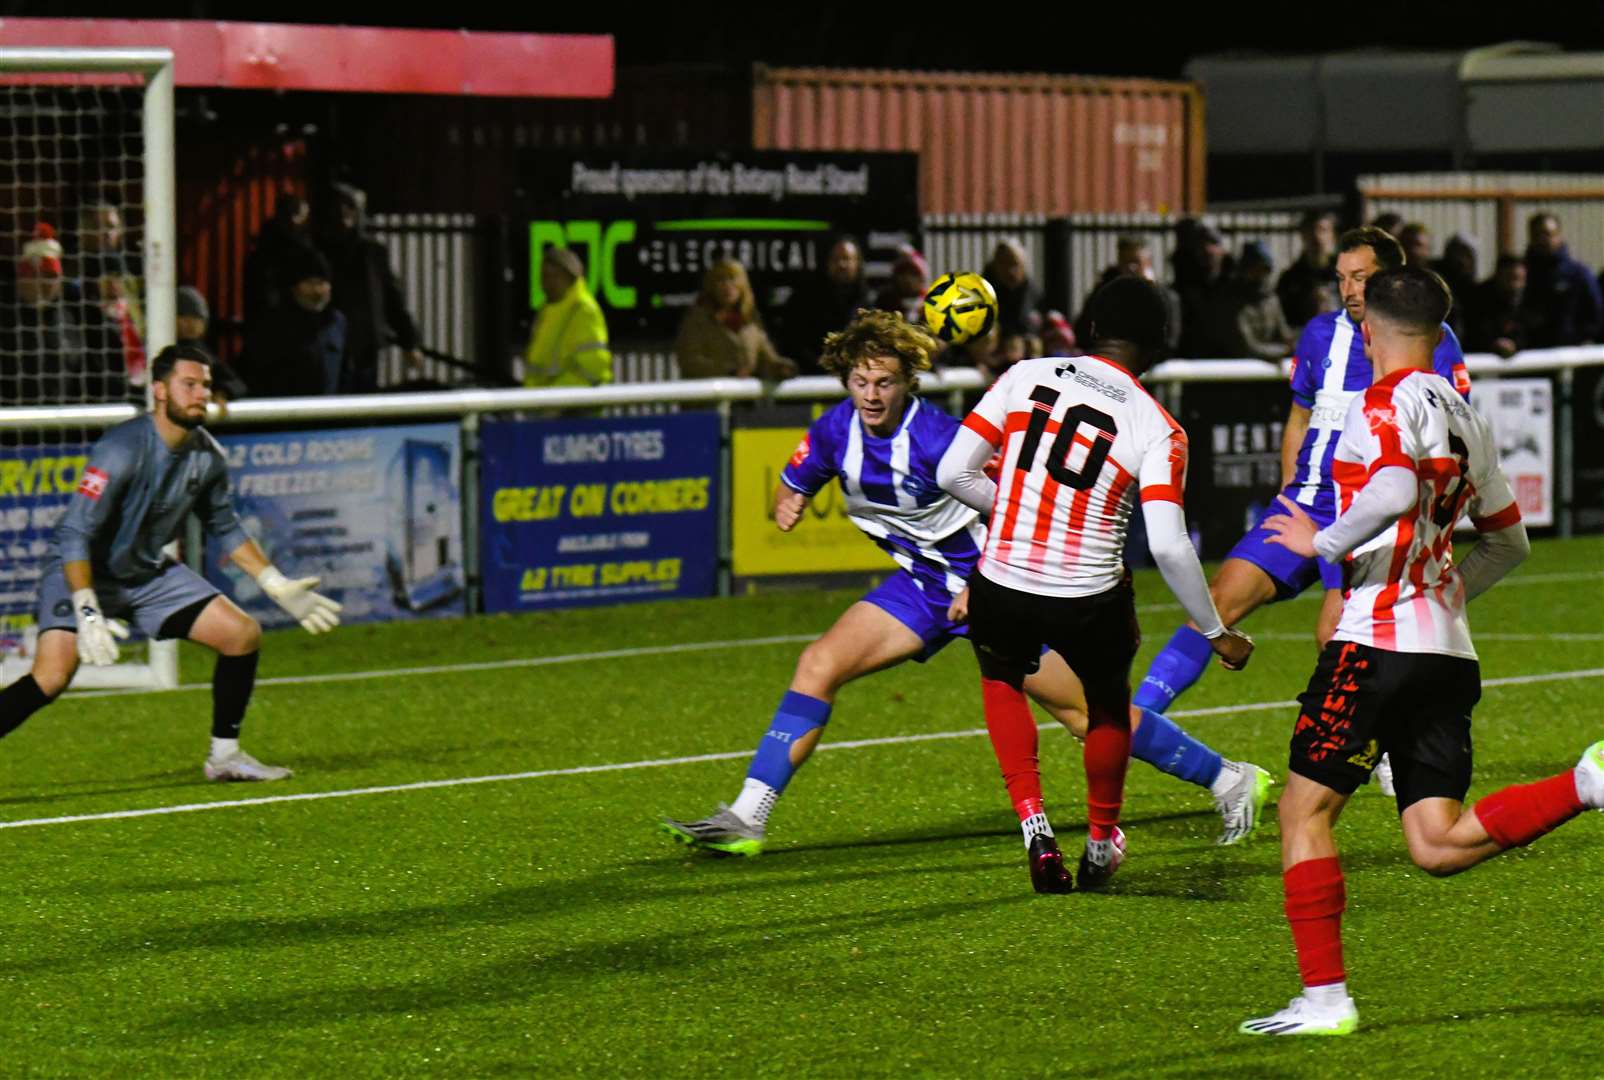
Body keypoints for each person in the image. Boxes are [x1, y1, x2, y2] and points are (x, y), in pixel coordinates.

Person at [661, 309, 1269, 888]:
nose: (871, 394)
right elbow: (797, 480)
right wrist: (788, 500)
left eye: (885, 382)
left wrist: (982, 579)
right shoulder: (831, 429)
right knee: (819, 663)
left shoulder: (935, 438)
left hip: (994, 585)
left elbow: (1020, 503)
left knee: (1085, 715)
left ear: (908, 383)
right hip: (922, 589)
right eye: (860, 380)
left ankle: (1228, 778)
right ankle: (748, 816)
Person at [1238, 265, 1604, 1036]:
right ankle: (1587, 783)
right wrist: (1448, 593)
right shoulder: (1465, 414)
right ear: (1440, 336)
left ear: (1365, 326)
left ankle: (1325, 999)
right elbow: (1510, 543)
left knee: (1303, 812)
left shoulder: (1378, 404)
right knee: (1435, 844)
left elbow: (1396, 490)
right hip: (1446, 649)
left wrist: (1323, 545)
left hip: (1374, 638)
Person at [937, 277, 1256, 889]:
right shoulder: (1157, 425)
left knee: (1003, 680)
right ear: (1159, 343)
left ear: (1088, 328)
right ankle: (1102, 842)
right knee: (1108, 709)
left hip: (1002, 580)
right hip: (1089, 594)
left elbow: (954, 471)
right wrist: (1216, 631)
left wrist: (1009, 508)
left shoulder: (1024, 375)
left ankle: (1035, 826)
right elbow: (1166, 543)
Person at [1130, 227, 1470, 794]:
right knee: (1217, 602)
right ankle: (1131, 722)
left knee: (1338, 637)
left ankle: (1380, 746)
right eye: (1341, 278)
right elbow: (1300, 417)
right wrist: (1291, 488)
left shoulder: (1430, 340)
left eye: (1360, 277)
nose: (1348, 289)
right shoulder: (1318, 335)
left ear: (1391, 279)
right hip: (1307, 503)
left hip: (1373, 514)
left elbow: (1449, 424)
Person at [0, 344, 343, 781]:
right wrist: (87, 609)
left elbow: (226, 526)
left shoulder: (208, 457)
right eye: (190, 384)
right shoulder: (121, 448)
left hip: (145, 573)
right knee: (51, 676)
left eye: (206, 385)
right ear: (160, 391)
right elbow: (74, 534)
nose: (201, 393)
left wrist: (274, 582)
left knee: (241, 634)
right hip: (83, 570)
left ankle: (224, 757)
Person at [0, 222, 121, 407]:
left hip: (66, 424)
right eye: (32, 275)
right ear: (19, 279)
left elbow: (100, 377)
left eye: (49, 276)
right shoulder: (6, 315)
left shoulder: (79, 315)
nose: (40, 283)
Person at [320, 183, 425, 392]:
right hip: (328, 346)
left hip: (365, 349)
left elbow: (392, 298)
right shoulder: (318, 252)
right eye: (339, 207)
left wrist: (410, 341)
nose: (344, 213)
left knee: (362, 407)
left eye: (350, 206)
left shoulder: (372, 252)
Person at [240, 246, 347, 397]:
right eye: (310, 283)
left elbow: (345, 372)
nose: (317, 291)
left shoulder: (337, 322)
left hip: (329, 413)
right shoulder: (273, 324)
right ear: (294, 287)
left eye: (322, 283)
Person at [675, 259, 797, 380]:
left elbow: (766, 359)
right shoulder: (697, 318)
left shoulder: (750, 320)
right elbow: (689, 362)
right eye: (720, 280)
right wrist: (730, 371)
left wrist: (781, 368)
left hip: (746, 397)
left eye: (732, 278)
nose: (727, 285)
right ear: (711, 285)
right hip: (711, 395)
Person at [778, 235, 873, 373]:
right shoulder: (804, 299)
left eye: (846, 259)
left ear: (857, 263)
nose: (841, 264)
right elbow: (794, 344)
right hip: (812, 382)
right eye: (836, 259)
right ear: (826, 262)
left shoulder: (867, 303)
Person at [523, 246, 612, 388]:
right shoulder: (546, 310)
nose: (545, 283)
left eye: (553, 276)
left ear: (569, 277)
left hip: (574, 405)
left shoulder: (583, 310)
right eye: (543, 276)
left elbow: (592, 368)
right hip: (542, 402)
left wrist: (554, 398)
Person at [1520, 212, 1602, 348]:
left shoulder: (1578, 274)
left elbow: (1596, 313)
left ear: (1559, 235)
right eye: (1537, 234)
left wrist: (1580, 338)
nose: (1543, 239)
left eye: (1548, 234)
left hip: (1571, 353)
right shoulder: (1522, 274)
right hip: (1531, 354)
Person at [243, 193, 312, 329]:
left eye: (302, 216)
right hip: (272, 325)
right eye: (294, 214)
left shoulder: (308, 249)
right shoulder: (265, 252)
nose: (295, 221)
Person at [176, 285, 248, 403]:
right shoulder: (158, 346)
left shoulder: (202, 352)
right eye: (183, 317)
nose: (190, 324)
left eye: (197, 318)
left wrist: (222, 393)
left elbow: (236, 384)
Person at [1224, 241, 1294, 361]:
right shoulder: (1232, 301)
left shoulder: (1272, 300)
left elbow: (1285, 336)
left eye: (1265, 269)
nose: (1260, 274)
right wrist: (1282, 351)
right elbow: (1247, 347)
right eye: (1255, 268)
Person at [1276, 210, 1339, 331]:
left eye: (1323, 230)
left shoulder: (1346, 276)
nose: (1317, 236)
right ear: (1303, 236)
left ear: (1332, 235)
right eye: (1311, 230)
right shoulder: (1290, 279)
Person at [1464, 254, 1530, 358]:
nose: (1515, 285)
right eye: (1510, 278)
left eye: (1518, 279)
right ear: (1498, 276)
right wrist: (1493, 343)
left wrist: (1516, 344)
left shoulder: (1531, 299)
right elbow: (1474, 331)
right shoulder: (1479, 300)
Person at [984, 239, 1045, 339]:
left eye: (1015, 264)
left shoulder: (1034, 295)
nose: (1010, 271)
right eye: (1004, 263)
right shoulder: (983, 295)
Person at [872, 246, 930, 324]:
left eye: (913, 274)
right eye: (902, 273)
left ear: (922, 278)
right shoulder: (885, 303)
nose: (907, 278)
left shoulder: (931, 305)